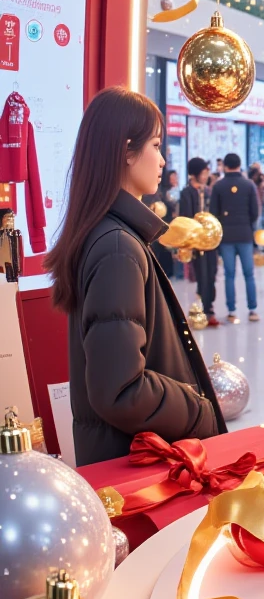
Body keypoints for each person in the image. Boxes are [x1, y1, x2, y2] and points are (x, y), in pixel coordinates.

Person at [46, 88, 224, 466]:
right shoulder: (117, 247)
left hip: (134, 457)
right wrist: (198, 409)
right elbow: (120, 389)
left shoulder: (111, 236)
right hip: (139, 464)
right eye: (156, 146)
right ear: (126, 151)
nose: (162, 160)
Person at [209, 151, 260, 322]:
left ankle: (231, 311)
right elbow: (255, 212)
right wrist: (248, 224)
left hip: (226, 236)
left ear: (225, 166)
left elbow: (213, 213)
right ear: (239, 165)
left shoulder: (218, 186)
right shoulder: (249, 185)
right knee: (249, 274)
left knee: (229, 274)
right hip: (245, 234)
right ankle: (252, 309)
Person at [179, 156, 219, 325]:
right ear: (195, 173)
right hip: (197, 242)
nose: (205, 176)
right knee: (202, 275)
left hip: (211, 241)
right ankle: (207, 310)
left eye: (206, 173)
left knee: (212, 273)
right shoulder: (187, 192)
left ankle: (208, 307)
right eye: (203, 173)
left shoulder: (208, 191)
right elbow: (186, 217)